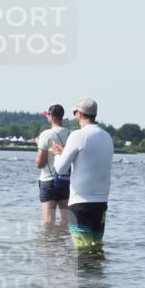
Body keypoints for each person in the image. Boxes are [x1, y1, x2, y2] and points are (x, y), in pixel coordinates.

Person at [49, 97, 113, 249]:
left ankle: (84, 273)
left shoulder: (78, 135)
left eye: (75, 112)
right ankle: (97, 273)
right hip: (101, 203)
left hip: (81, 203)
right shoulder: (106, 136)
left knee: (82, 250)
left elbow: (61, 168)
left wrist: (58, 154)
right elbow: (90, 160)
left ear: (80, 113)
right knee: (96, 248)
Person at [35, 104, 72, 225]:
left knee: (48, 222)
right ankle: (62, 243)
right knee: (66, 221)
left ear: (51, 116)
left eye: (47, 115)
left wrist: (39, 145)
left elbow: (39, 164)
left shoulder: (45, 135)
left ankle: (49, 243)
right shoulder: (71, 135)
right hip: (66, 180)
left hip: (48, 181)